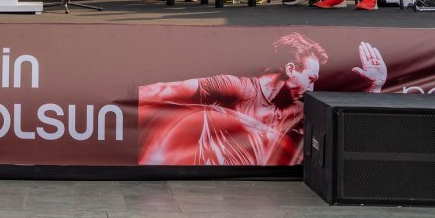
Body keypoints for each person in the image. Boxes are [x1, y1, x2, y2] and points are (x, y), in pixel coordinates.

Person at [137, 33, 386, 166]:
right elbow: (162, 91)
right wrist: (119, 101)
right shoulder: (235, 88)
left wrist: (375, 86)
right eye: (310, 78)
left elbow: (348, 130)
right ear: (291, 69)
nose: (313, 86)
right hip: (194, 178)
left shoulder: (298, 108)